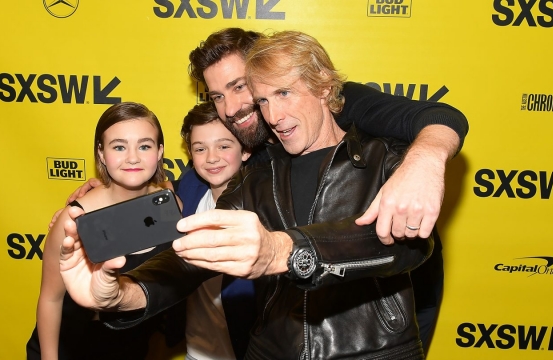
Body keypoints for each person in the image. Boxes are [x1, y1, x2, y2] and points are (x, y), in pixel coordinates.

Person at [58, 28, 467, 353]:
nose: (243, 108)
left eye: (251, 89)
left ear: (322, 88)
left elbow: (405, 244)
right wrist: (121, 296)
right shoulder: (250, 173)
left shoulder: (378, 148)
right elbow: (190, 256)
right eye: (218, 96)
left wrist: (426, 159)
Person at [26, 102, 170, 360]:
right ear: (101, 154)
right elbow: (50, 299)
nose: (133, 157)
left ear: (159, 152)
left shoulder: (170, 205)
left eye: (145, 146)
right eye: (119, 146)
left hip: (131, 346)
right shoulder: (74, 219)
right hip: (73, 347)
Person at [174, 102, 251, 360]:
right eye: (200, 149)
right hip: (196, 352)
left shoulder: (266, 208)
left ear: (246, 150)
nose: (211, 157)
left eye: (224, 146)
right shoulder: (189, 191)